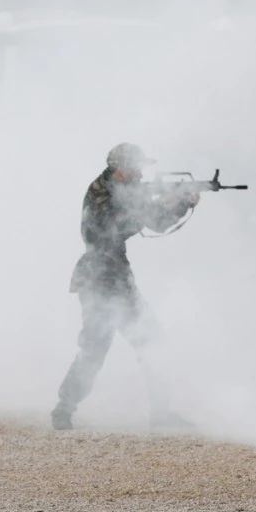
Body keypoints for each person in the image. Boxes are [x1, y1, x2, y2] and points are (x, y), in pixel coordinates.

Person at [52, 143, 199, 431]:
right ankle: (64, 408)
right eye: (136, 168)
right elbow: (119, 223)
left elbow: (156, 221)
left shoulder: (125, 191)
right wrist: (163, 202)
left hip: (116, 276)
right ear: (120, 169)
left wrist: (181, 203)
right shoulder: (101, 194)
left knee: (152, 341)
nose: (141, 173)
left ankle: (161, 414)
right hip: (98, 277)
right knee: (95, 347)